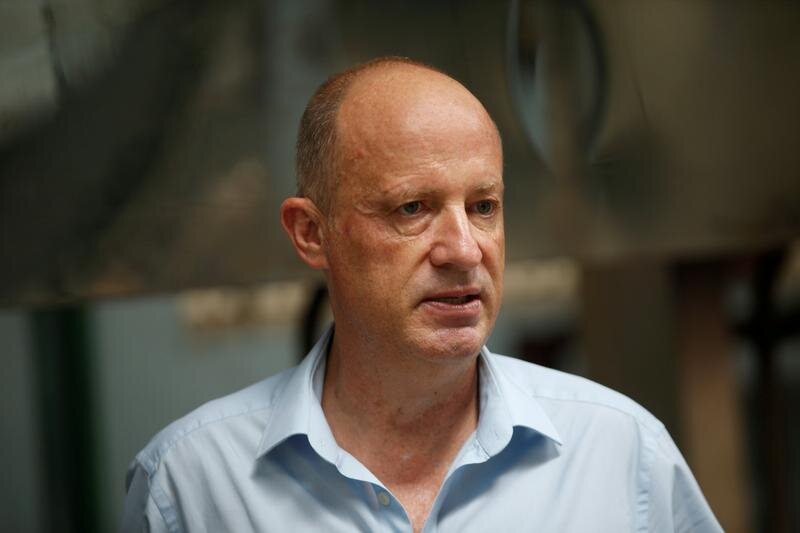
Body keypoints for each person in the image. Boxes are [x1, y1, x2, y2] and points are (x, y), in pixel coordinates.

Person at [121, 57, 722, 532]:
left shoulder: (620, 454)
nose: (464, 249)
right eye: (413, 208)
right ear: (312, 233)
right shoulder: (193, 484)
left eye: (484, 206)